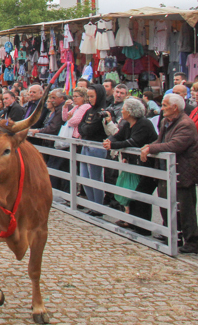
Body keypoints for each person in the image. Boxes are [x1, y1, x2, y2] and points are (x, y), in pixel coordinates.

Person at [141, 94, 198, 254]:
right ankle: (172, 235)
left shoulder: (186, 124)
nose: (162, 108)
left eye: (165, 105)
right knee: (166, 204)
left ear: (175, 107)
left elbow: (175, 145)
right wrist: (147, 146)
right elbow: (160, 140)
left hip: (183, 172)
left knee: (185, 208)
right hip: (166, 171)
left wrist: (151, 149)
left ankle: (192, 240)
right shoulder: (166, 121)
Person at [103, 97, 158, 235]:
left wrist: (113, 145)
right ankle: (135, 225)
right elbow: (118, 136)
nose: (122, 111)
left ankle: (143, 228)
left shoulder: (144, 124)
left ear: (131, 112)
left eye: (124, 109)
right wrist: (109, 141)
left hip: (149, 166)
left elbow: (133, 142)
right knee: (133, 194)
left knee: (142, 195)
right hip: (135, 165)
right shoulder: (128, 124)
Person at [76, 84, 108, 215]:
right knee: (84, 176)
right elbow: (81, 126)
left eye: (92, 96)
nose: (90, 99)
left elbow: (92, 128)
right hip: (86, 144)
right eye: (88, 96)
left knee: (95, 177)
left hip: (97, 146)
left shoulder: (103, 110)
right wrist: (85, 129)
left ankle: (98, 206)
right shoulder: (89, 110)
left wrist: (85, 129)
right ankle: (91, 203)